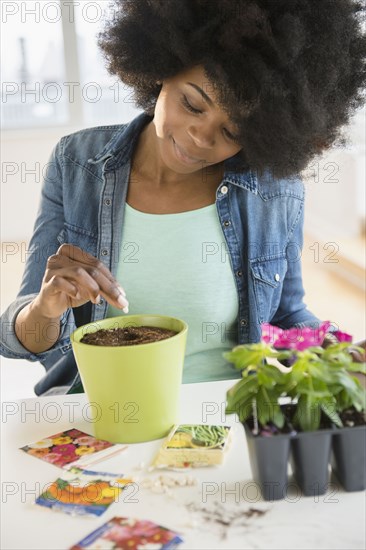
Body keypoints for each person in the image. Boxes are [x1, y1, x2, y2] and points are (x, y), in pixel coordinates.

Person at [1, 0, 365, 395]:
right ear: (161, 70)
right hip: (104, 420)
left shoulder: (273, 190)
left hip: (225, 420)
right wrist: (46, 307)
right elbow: (19, 339)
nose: (201, 137)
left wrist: (338, 353)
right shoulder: (77, 163)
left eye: (232, 132)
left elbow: (285, 314)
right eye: (192, 104)